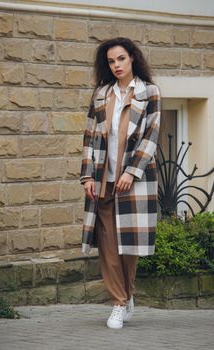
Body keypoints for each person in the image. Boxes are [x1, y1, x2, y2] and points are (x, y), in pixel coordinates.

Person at [80, 37, 161, 329]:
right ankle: (117, 301)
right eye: (111, 61)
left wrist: (130, 172)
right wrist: (88, 175)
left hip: (133, 182)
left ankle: (128, 295)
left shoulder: (149, 92)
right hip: (103, 180)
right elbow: (90, 137)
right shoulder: (101, 94)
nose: (116, 65)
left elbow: (151, 137)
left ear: (132, 59)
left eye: (121, 59)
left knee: (128, 247)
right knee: (108, 246)